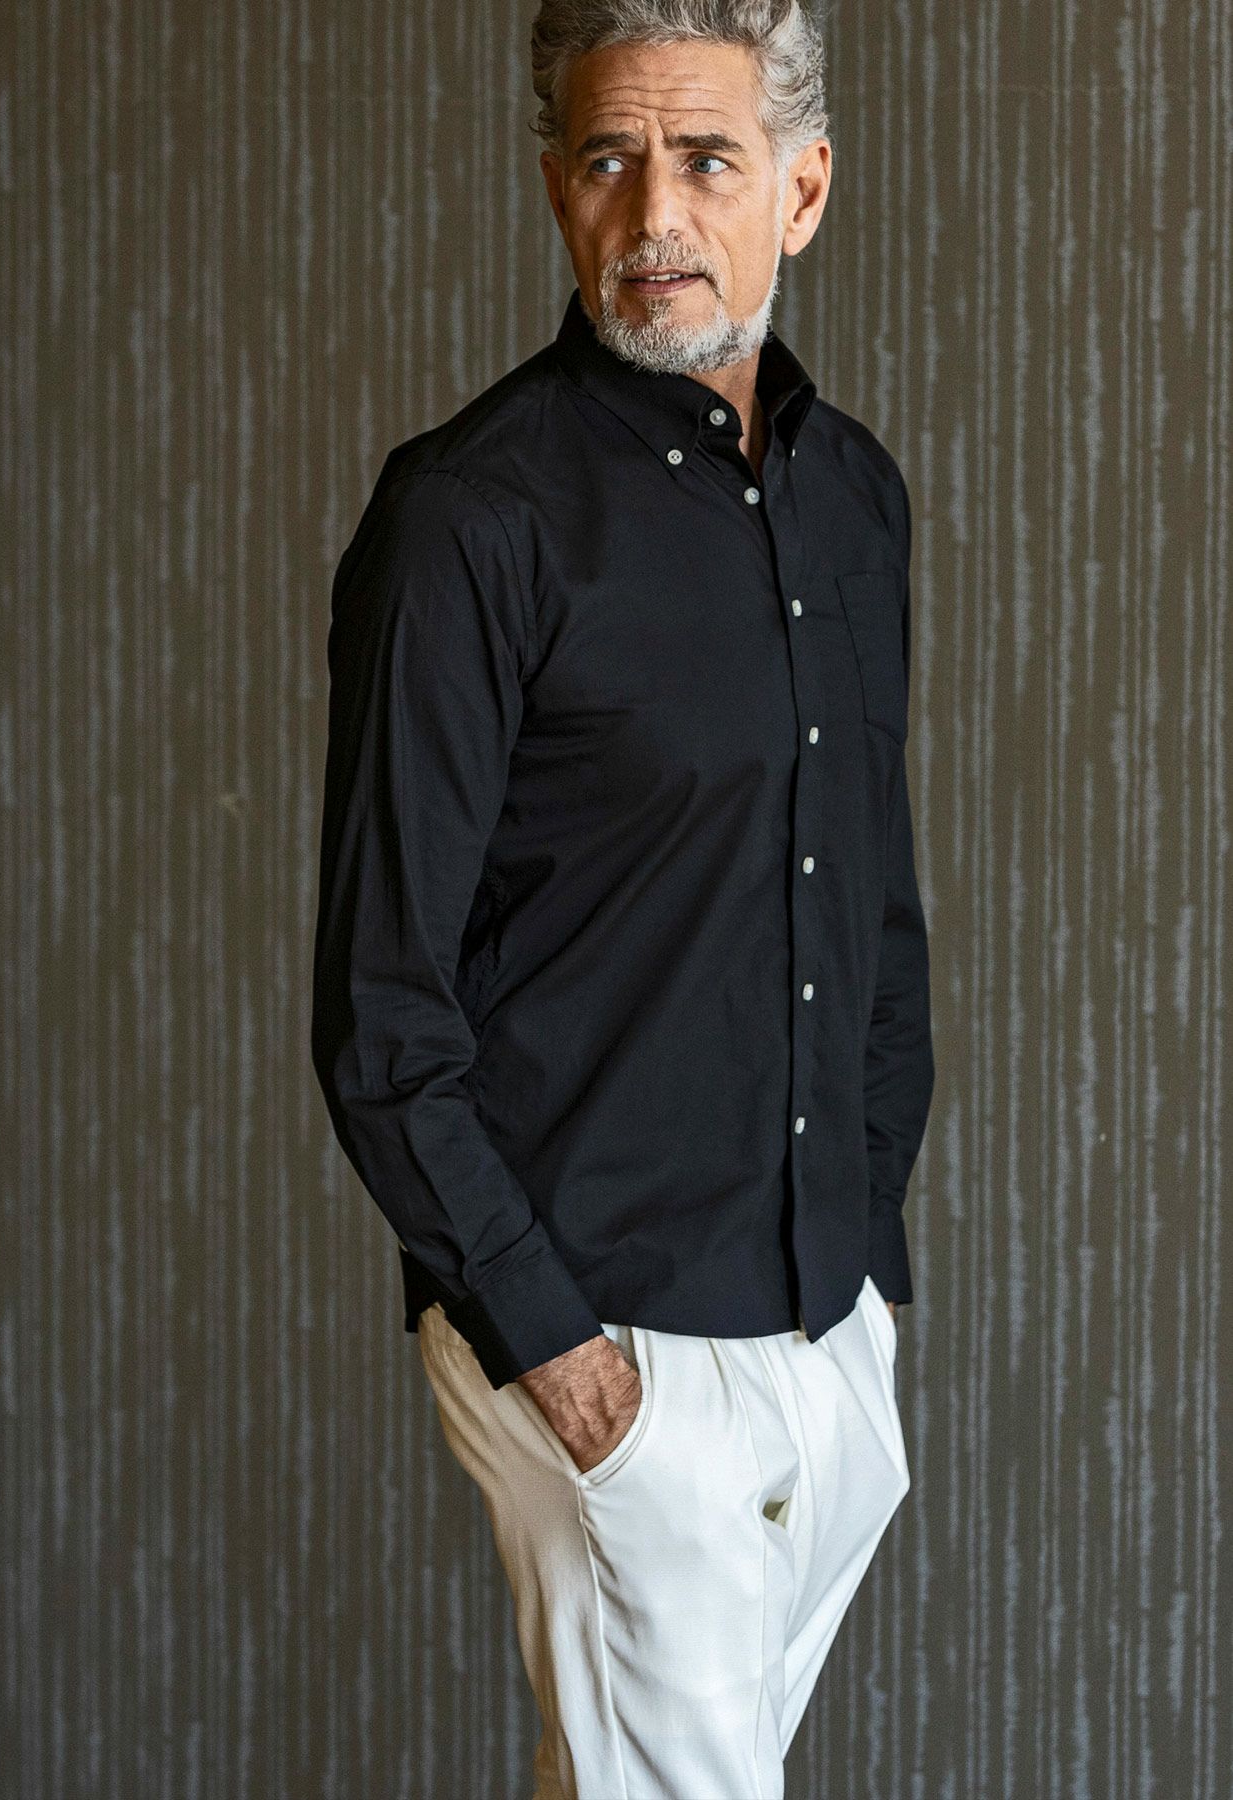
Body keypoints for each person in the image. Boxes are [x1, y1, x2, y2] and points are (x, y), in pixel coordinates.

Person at [310, 2, 935, 1793]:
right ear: (556, 186)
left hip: (823, 1341)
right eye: (608, 157)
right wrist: (575, 1374)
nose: (654, 212)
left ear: (801, 191)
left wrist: (868, 1281)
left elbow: (870, 907)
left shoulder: (854, 500)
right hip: (607, 1350)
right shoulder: (468, 520)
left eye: (708, 159)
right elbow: (381, 1014)